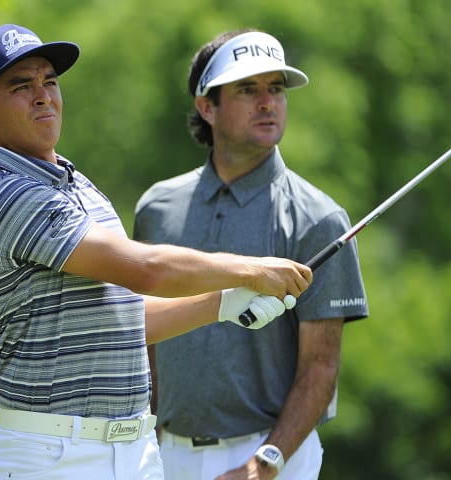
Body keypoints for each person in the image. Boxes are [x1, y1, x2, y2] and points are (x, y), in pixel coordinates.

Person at [0, 24, 313, 480]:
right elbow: (147, 271)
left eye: (50, 80)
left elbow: (123, 318)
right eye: (21, 86)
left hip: (133, 451)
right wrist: (249, 270)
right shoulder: (7, 195)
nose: (43, 95)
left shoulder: (79, 187)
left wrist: (221, 304)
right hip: (51, 454)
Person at [133, 29, 369, 480]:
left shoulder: (319, 219)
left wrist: (265, 463)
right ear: (207, 106)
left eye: (276, 88)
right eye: (247, 89)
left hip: (270, 455)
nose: (268, 102)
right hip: (164, 453)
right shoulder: (157, 208)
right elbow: (145, 339)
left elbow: (320, 368)